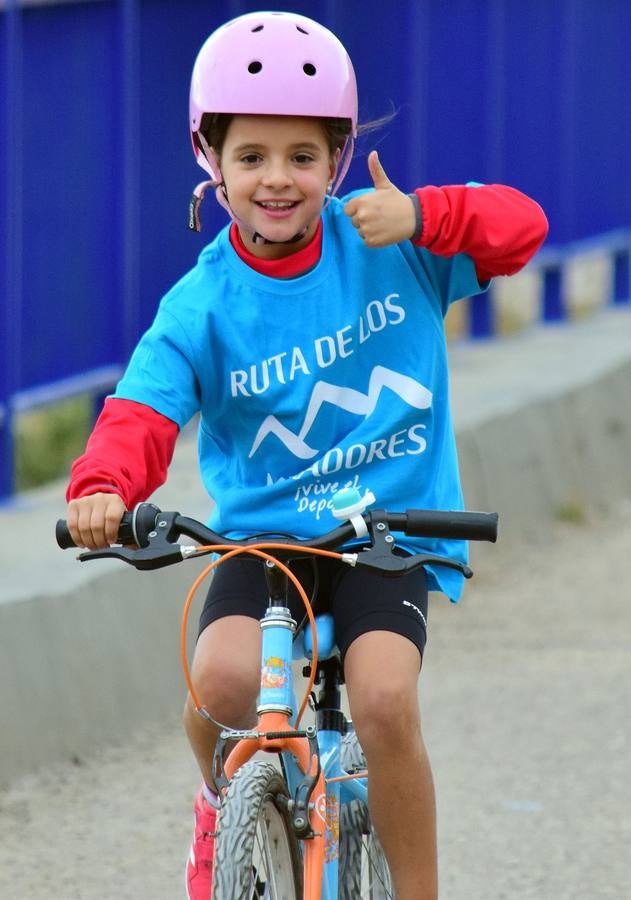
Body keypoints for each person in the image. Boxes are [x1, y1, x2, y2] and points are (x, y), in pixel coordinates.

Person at [65, 10, 548, 900]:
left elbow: (522, 227)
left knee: (384, 698)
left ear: (336, 157)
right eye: (250, 157)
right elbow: (141, 409)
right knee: (219, 679)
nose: (276, 180)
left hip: (387, 531)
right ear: (211, 161)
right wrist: (101, 486)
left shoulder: (391, 243)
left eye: (301, 155)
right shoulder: (200, 303)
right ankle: (220, 807)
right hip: (265, 540)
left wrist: (426, 215)